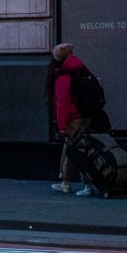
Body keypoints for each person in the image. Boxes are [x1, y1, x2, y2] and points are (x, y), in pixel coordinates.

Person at [49, 42, 97, 196]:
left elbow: (62, 103)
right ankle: (74, 182)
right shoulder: (82, 70)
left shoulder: (63, 75)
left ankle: (73, 183)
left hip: (74, 118)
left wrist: (62, 126)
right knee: (81, 148)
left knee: (73, 149)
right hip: (87, 115)